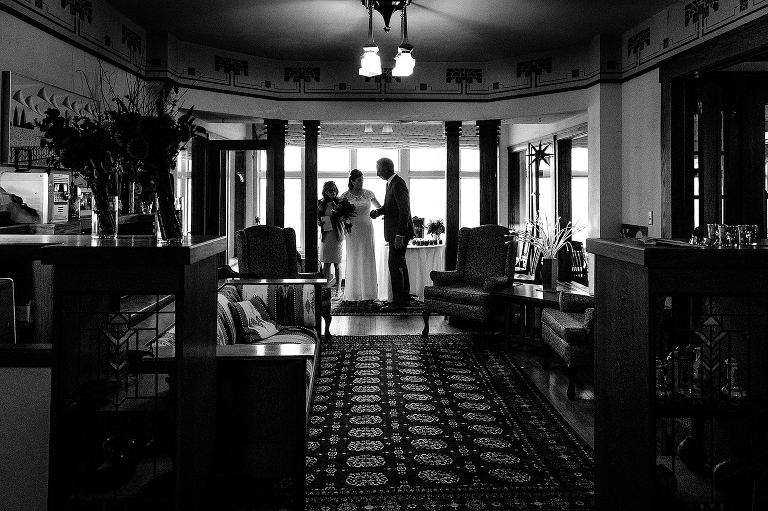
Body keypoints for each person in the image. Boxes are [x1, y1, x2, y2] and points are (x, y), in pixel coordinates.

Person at [370, 157, 415, 311]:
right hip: (395, 232)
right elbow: (390, 207)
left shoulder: (398, 183)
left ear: (386, 169)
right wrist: (378, 211)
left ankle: (398, 302)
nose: (377, 174)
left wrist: (400, 235)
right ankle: (404, 297)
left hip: (399, 232)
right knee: (400, 263)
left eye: (378, 170)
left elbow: (404, 210)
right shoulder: (391, 184)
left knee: (395, 265)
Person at [340, 168, 381, 301]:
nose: (361, 182)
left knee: (367, 257)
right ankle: (354, 292)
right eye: (359, 180)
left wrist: (376, 214)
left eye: (362, 180)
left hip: (367, 229)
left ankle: (369, 293)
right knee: (354, 257)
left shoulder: (369, 194)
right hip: (352, 231)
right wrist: (343, 219)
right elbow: (339, 214)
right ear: (352, 181)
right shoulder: (345, 196)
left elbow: (379, 208)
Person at [318, 181, 343, 296]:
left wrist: (337, 212)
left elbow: (344, 218)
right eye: (330, 190)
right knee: (326, 263)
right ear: (325, 192)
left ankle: (338, 290)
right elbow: (317, 217)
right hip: (326, 234)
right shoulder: (320, 203)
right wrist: (319, 221)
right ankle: (325, 289)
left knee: (337, 263)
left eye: (334, 189)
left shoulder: (340, 202)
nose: (333, 192)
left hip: (337, 234)